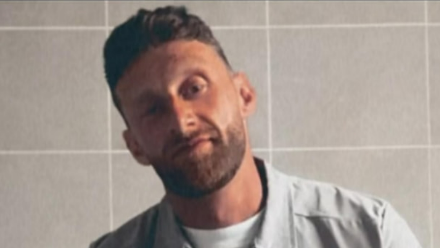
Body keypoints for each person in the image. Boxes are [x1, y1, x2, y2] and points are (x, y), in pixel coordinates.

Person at [90, 6, 422, 248]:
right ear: (134, 146)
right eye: (153, 109)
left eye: (194, 88)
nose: (180, 119)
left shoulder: (368, 234)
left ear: (244, 95)